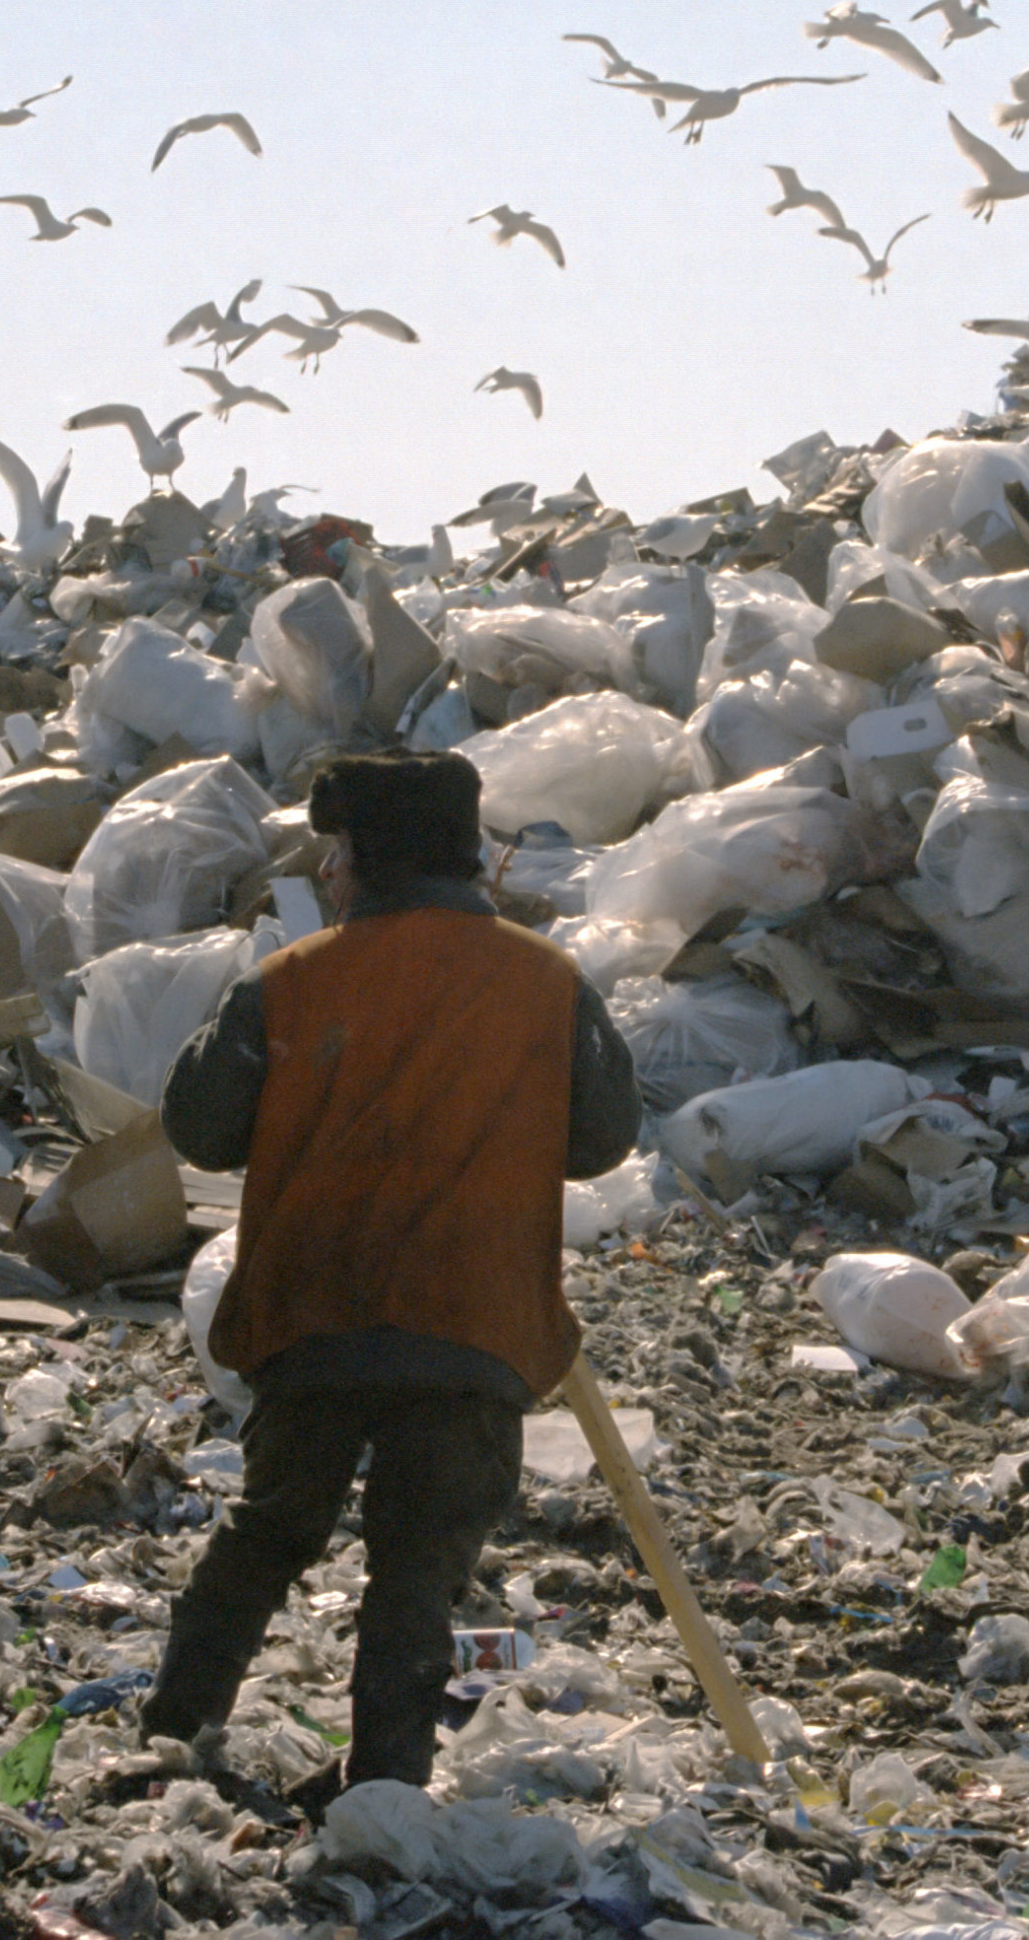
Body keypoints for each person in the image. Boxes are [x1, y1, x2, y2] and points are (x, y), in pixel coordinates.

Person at [140, 749, 637, 1789]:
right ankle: (385, 1785)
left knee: (266, 1530)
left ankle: (170, 1735)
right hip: (474, 1325)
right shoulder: (549, 982)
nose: (324, 873)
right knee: (418, 1568)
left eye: (334, 850)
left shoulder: (290, 979)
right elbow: (600, 1141)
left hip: (315, 1313)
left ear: (367, 855)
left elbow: (199, 1128)